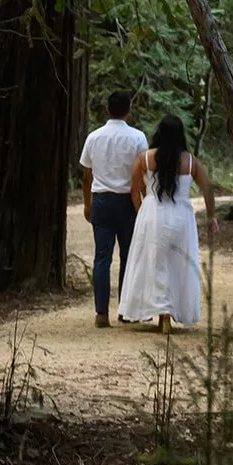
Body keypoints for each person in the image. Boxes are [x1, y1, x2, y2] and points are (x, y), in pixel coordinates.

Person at [119, 115, 216, 333]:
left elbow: (134, 191)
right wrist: (212, 217)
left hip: (153, 213)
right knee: (178, 262)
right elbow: (208, 189)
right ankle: (170, 310)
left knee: (152, 261)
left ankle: (159, 311)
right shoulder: (191, 162)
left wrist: (141, 211)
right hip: (181, 215)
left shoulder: (145, 159)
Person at [79, 91, 149, 328]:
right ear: (129, 110)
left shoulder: (94, 137)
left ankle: (101, 312)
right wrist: (146, 202)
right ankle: (125, 310)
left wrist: (88, 203)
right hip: (129, 203)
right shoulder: (138, 138)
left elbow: (87, 177)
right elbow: (142, 174)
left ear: (107, 109)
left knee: (102, 257)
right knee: (129, 257)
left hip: (102, 201)